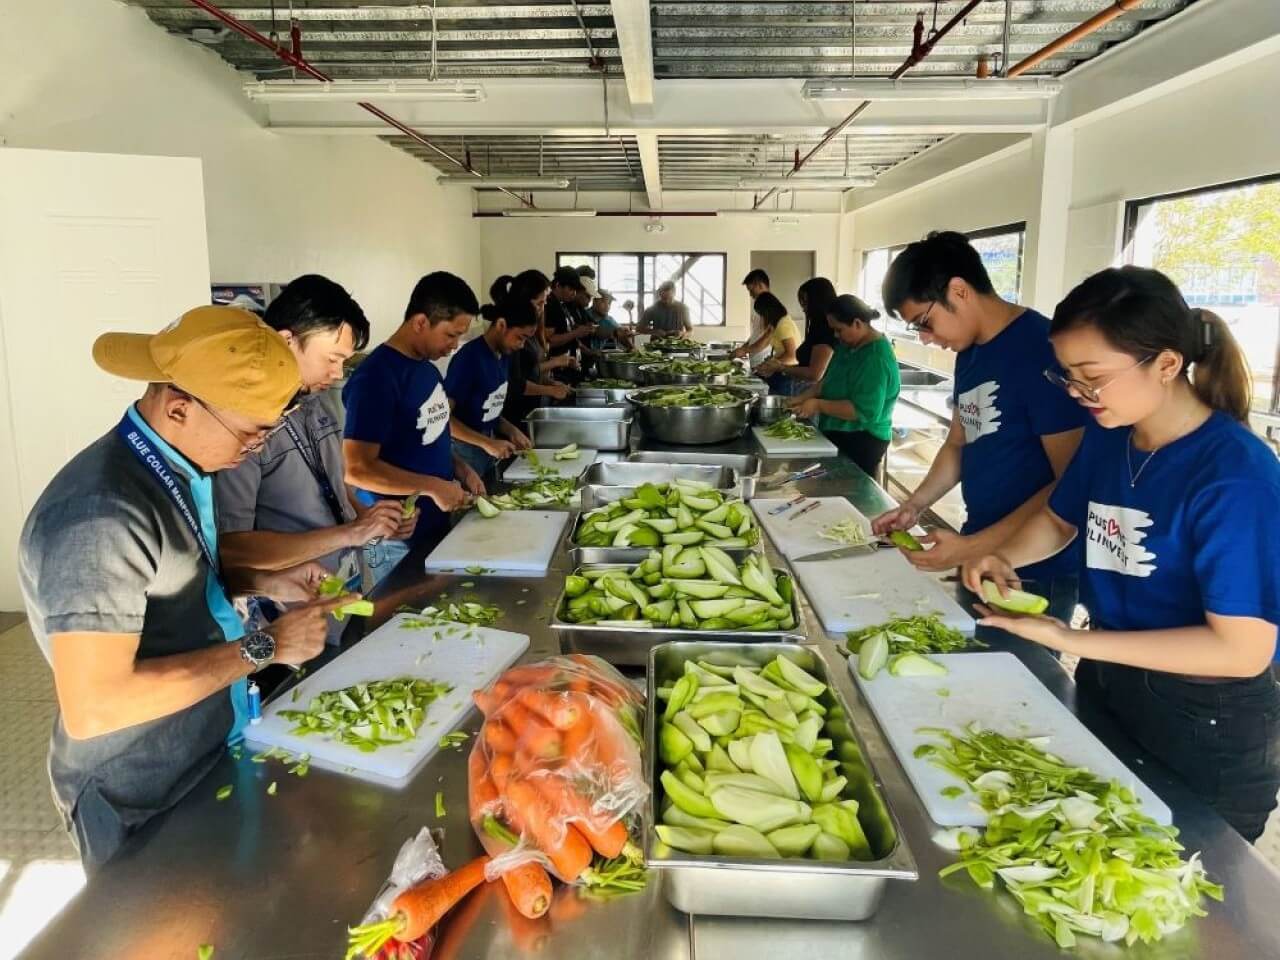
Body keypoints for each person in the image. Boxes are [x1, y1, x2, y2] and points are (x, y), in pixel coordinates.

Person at [18, 306, 350, 870]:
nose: (256, 451)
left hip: (203, 743)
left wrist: (268, 580)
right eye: (250, 436)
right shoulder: (99, 517)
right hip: (139, 787)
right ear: (178, 408)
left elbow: (170, 584)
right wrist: (266, 646)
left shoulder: (176, 468)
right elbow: (95, 705)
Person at [962, 266, 1280, 841]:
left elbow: (1243, 651)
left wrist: (1071, 639)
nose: (1079, 395)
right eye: (1068, 379)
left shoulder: (1235, 477)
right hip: (1113, 680)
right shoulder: (1111, 435)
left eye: (1093, 377)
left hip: (1205, 719)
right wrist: (1007, 556)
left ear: (1166, 363)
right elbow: (1060, 520)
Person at [870, 231, 1087, 621]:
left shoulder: (1042, 350)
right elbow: (958, 443)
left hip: (1035, 567)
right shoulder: (969, 354)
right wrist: (914, 506)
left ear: (959, 290)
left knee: (1020, 676)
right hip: (980, 550)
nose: (927, 338)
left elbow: (1070, 484)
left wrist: (971, 547)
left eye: (925, 322)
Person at [215, 276, 412, 642]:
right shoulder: (244, 428)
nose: (338, 373)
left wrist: (368, 518)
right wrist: (350, 532)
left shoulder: (313, 402)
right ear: (286, 342)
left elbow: (335, 481)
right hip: (289, 617)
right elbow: (233, 548)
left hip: (343, 591)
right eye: (332, 359)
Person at [342, 272, 480, 586]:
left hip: (434, 522)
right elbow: (357, 468)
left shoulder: (427, 371)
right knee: (405, 624)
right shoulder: (375, 378)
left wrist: (460, 469)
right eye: (450, 335)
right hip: (396, 534)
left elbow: (431, 436)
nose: (455, 346)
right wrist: (433, 486)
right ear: (420, 322)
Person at [789, 294, 900, 477]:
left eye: (839, 330)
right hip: (837, 431)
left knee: (849, 490)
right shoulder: (848, 345)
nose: (835, 335)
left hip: (862, 439)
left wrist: (817, 405)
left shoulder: (875, 358)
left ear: (857, 323)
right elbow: (828, 381)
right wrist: (798, 399)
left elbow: (863, 411)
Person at [445, 297, 536, 478]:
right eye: (520, 337)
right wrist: (486, 443)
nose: (521, 345)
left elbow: (486, 408)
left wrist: (511, 430)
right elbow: (443, 421)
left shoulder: (503, 356)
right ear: (501, 325)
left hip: (487, 449)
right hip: (464, 453)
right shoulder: (469, 359)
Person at [497, 271, 573, 428]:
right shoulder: (513, 334)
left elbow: (529, 372)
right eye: (540, 303)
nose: (542, 308)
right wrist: (550, 390)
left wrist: (551, 384)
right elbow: (516, 383)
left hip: (529, 409)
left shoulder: (531, 331)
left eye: (544, 303)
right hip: (515, 413)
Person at [757, 277, 837, 395]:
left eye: (805, 303)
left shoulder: (825, 328)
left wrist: (781, 367)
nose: (803, 309)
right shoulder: (816, 326)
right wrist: (777, 366)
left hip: (810, 392)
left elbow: (815, 374)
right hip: (800, 385)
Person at [734, 292, 799, 381]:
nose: (762, 317)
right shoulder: (775, 324)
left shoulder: (783, 324)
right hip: (781, 369)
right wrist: (744, 350)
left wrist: (770, 365)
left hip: (787, 373)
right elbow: (763, 342)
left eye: (762, 314)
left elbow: (792, 355)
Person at [741, 269, 773, 367]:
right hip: (756, 364)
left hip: (765, 364)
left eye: (751, 290)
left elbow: (768, 337)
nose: (751, 295)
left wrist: (744, 350)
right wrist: (743, 347)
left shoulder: (771, 306)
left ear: (760, 285)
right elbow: (757, 334)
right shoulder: (760, 307)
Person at [588, 287, 633, 351]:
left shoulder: (609, 319)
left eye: (609, 303)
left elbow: (620, 332)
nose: (607, 306)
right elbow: (597, 332)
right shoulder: (585, 315)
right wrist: (616, 332)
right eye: (603, 302)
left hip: (597, 354)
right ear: (594, 301)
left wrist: (632, 349)